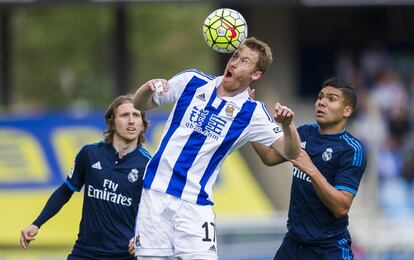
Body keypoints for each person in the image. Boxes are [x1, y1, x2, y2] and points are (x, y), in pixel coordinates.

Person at [131, 37, 301, 259]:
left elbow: (290, 152)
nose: (234, 63)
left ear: (256, 75)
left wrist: (288, 126)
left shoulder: (252, 112)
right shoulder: (192, 81)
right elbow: (139, 104)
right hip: (155, 192)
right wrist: (148, 86)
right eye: (235, 56)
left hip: (195, 204)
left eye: (244, 61)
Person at [20, 95, 151, 260]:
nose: (131, 120)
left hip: (124, 255)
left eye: (136, 115)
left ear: (142, 123)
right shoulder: (89, 154)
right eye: (125, 115)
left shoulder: (149, 165)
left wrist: (145, 235)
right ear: (112, 121)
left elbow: (159, 210)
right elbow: (65, 190)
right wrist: (36, 223)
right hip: (85, 252)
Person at [251, 77, 367, 260]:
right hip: (292, 246)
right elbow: (268, 156)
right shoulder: (304, 133)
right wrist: (248, 118)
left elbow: (341, 208)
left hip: (328, 249)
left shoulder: (351, 149)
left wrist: (311, 169)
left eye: (331, 99)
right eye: (320, 97)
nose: (322, 102)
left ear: (347, 110)